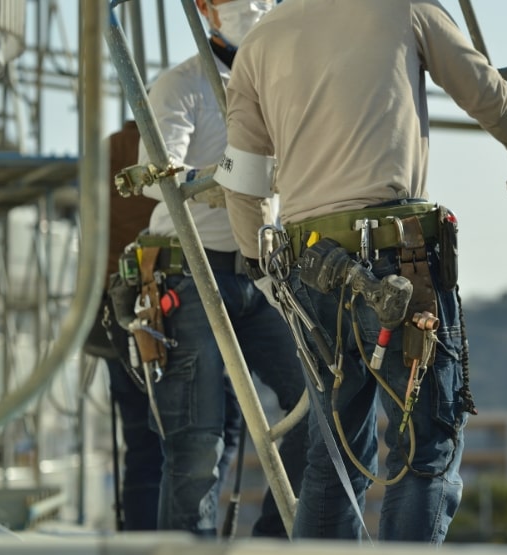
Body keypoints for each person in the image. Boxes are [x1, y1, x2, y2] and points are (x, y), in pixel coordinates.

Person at [214, 0, 507, 544]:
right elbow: (485, 93)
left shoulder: (261, 40)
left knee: (333, 462)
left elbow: (245, 182)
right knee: (426, 452)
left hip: (312, 268)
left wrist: (266, 278)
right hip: (402, 261)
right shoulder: (404, 7)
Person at [137, 0, 307, 537]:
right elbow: (152, 176)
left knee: (316, 405)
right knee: (199, 446)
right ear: (207, 9)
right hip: (192, 273)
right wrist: (222, 183)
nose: (255, 8)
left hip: (264, 269)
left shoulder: (286, 84)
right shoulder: (181, 85)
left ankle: (276, 545)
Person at [82, 120, 161, 531]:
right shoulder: (162, 153)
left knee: (140, 442)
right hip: (158, 306)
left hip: (113, 307)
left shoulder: (107, 150)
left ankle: (139, 536)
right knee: (192, 437)